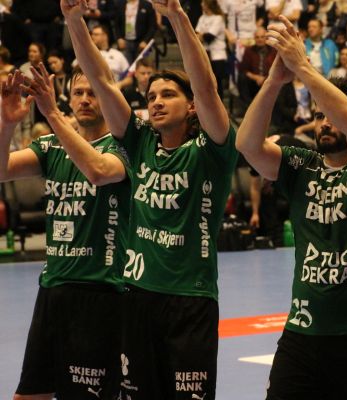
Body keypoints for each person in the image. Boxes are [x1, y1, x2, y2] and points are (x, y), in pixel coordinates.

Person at [61, 0, 238, 398]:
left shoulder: (211, 151)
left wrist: (177, 16)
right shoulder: (139, 143)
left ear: (190, 106)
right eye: (152, 95)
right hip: (138, 296)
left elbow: (207, 87)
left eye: (168, 94)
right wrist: (74, 21)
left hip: (190, 301)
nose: (156, 101)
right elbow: (102, 81)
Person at [236, 15, 347, 400]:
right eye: (318, 115)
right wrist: (275, 80)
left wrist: (303, 66)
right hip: (304, 331)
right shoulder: (302, 165)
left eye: (332, 115)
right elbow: (247, 145)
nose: (324, 123)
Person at [2, 64, 130, 399]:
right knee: (29, 396)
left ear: (108, 97)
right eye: (78, 93)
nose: (85, 99)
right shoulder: (50, 147)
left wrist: (53, 114)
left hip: (100, 292)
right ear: (69, 98)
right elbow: (2, 170)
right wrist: (7, 123)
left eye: (93, 93)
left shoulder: (124, 146)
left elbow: (98, 171)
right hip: (53, 288)